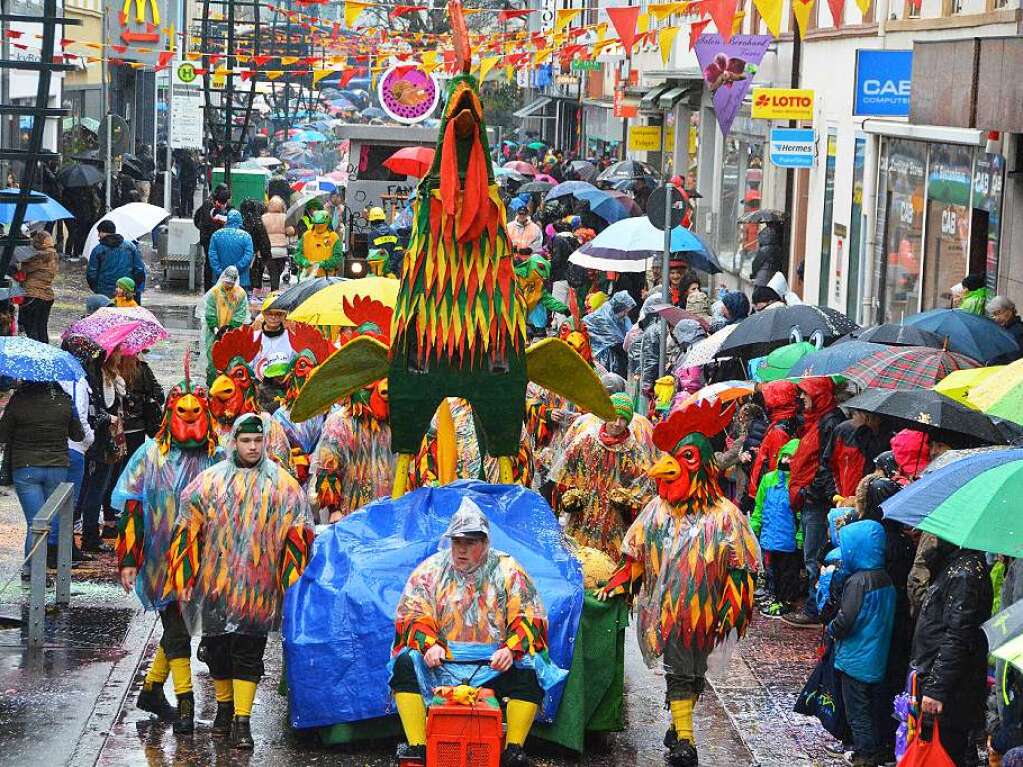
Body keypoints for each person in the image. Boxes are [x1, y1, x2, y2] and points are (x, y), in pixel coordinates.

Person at [598, 402, 759, 767]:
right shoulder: (657, 509)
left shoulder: (725, 517)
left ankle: (679, 717)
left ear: (702, 465)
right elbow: (635, 553)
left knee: (694, 671)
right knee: (681, 668)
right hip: (667, 612)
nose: (669, 465)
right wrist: (619, 583)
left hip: (705, 613)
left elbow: (742, 567)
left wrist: (733, 607)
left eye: (684, 457)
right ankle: (685, 740)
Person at [169, 412, 313, 750]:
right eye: (246, 441)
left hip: (259, 591)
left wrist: (290, 583)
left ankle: (242, 721)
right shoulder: (209, 483)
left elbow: (299, 534)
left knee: (249, 652)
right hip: (216, 586)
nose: (252, 447)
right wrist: (185, 578)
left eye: (258, 441)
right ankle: (224, 707)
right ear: (234, 442)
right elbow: (186, 530)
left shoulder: (283, 485)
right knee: (217, 650)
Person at [388, 500, 554, 767]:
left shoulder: (508, 570)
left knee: (531, 667)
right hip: (443, 662)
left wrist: (510, 650)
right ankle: (417, 748)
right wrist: (429, 644)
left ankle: (513, 750)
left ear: (485, 543)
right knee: (406, 663)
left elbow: (529, 615)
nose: (461, 549)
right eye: (457, 542)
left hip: (493, 664)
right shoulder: (430, 570)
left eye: (471, 542)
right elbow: (412, 614)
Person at [113, 368, 220, 734]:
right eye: (181, 411)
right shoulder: (148, 455)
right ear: (169, 415)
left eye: (197, 411)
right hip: (159, 563)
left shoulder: (218, 456)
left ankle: (151, 689)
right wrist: (129, 560)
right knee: (177, 628)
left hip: (203, 560)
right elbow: (131, 507)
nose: (189, 417)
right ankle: (186, 704)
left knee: (183, 625)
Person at [908, 539, 992, 767]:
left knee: (945, 752)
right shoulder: (956, 566)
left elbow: (958, 636)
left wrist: (937, 689)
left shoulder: (965, 573)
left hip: (951, 689)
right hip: (944, 680)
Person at [549, 393, 657, 559]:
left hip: (614, 527)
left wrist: (628, 501)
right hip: (581, 522)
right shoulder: (585, 441)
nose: (617, 423)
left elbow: (644, 490)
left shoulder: (635, 452)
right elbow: (564, 474)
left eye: (623, 419)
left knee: (607, 572)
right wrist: (569, 496)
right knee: (580, 565)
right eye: (614, 416)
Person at [826, 519, 895, 767]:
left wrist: (832, 629)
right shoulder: (884, 578)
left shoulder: (858, 582)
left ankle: (866, 754)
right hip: (875, 656)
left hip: (855, 657)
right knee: (870, 706)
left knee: (857, 710)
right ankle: (873, 748)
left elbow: (846, 619)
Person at [0, 381, 84, 577]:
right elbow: (77, 435)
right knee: (47, 520)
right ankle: (35, 570)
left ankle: (32, 570)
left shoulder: (18, 401)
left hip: (25, 467)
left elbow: (2, 434)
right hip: (57, 466)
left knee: (35, 522)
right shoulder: (65, 401)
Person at [785, 377, 844, 627]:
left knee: (814, 557)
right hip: (811, 498)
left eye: (806, 394)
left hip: (817, 501)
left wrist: (809, 491)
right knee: (811, 553)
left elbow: (826, 463)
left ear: (818, 395)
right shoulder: (816, 421)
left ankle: (814, 609)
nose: (801, 398)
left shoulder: (828, 422)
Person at [79, 348, 126, 552]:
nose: (121, 355)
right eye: (118, 351)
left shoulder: (112, 377)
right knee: (94, 489)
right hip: (99, 443)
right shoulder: (96, 377)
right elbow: (96, 409)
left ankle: (89, 534)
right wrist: (110, 418)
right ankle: (89, 535)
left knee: (98, 487)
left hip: (105, 441)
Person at [751, 438, 802, 617]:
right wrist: (754, 526)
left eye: (791, 457)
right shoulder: (768, 479)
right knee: (770, 568)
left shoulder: (796, 484)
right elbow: (759, 505)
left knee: (787, 572)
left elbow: (800, 515)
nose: (786, 460)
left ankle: (785, 600)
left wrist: (800, 536)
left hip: (787, 538)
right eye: (785, 456)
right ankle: (773, 596)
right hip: (769, 535)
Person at [202, 266, 250, 384]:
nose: (228, 285)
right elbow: (210, 311)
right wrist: (215, 328)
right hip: (214, 333)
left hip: (232, 333)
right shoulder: (215, 292)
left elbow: (240, 313)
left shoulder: (240, 294)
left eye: (231, 283)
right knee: (213, 358)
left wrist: (231, 328)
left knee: (231, 358)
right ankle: (213, 383)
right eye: (227, 282)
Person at [87, 220, 147, 300]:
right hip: (126, 289)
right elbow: (139, 269)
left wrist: (97, 289)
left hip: (105, 293)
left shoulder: (98, 250)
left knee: (108, 312)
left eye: (99, 232)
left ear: (103, 232)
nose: (98, 235)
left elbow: (91, 273)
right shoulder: (130, 246)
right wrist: (134, 287)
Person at [583, 290, 635, 377]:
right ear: (619, 307)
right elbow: (616, 339)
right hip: (603, 358)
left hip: (615, 356)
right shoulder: (604, 317)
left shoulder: (620, 318)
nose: (626, 314)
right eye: (625, 311)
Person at [18, 230, 58, 343]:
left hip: (32, 295)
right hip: (47, 295)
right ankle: (44, 355)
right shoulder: (54, 255)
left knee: (31, 330)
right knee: (42, 329)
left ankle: (33, 354)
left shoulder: (35, 256)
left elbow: (22, 269)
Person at [194, 184, 233, 290]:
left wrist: (202, 230)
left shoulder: (208, 204)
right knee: (214, 263)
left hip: (207, 238)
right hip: (213, 239)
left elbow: (196, 218)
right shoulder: (211, 205)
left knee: (210, 262)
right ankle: (212, 287)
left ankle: (210, 288)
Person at [207, 209, 254, 289]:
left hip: (220, 279)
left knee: (220, 300)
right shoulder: (246, 236)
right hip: (241, 279)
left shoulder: (216, 235)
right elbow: (248, 256)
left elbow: (212, 255)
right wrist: (236, 269)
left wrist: (220, 271)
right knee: (239, 300)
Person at [295, 210, 343, 280]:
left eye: (321, 224)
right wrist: (304, 261)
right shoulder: (306, 236)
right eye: (317, 224)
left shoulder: (334, 237)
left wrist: (324, 264)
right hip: (306, 278)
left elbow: (338, 257)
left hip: (326, 279)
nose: (319, 226)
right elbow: (297, 254)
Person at [260, 196, 293, 291]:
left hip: (268, 250)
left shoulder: (263, 218)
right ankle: (275, 291)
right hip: (281, 250)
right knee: (278, 272)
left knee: (272, 271)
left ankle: (274, 290)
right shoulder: (285, 217)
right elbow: (290, 231)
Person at [239, 199, 271, 291]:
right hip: (254, 259)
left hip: (239, 258)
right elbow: (264, 244)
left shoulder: (240, 222)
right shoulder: (258, 223)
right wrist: (266, 256)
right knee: (253, 285)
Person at [989, 295, 1023, 363]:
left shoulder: (1017, 331)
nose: (996, 318)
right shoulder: (1004, 328)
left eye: (999, 313)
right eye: (994, 315)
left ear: (1010, 311)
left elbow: (1013, 359)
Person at [367, 206, 399, 275]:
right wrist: (390, 266)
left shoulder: (371, 235)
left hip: (377, 272)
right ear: (383, 219)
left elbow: (373, 255)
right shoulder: (394, 233)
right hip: (392, 272)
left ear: (372, 221)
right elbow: (398, 252)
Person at [751, 221, 784, 286]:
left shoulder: (764, 250)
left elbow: (756, 264)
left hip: (762, 281)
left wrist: (753, 274)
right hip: (776, 283)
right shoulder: (779, 249)